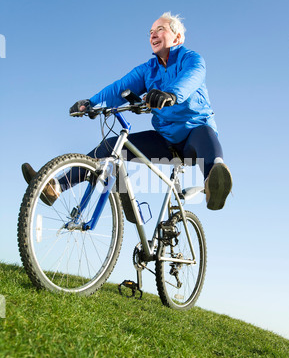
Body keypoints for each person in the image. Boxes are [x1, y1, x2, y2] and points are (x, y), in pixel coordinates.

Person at [22, 12, 232, 210]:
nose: (153, 35)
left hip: (193, 137)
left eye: (160, 29)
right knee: (111, 145)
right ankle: (56, 187)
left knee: (204, 133)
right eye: (150, 32)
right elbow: (119, 87)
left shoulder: (192, 59)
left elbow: (191, 78)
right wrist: (91, 102)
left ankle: (215, 184)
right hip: (165, 141)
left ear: (177, 37)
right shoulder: (148, 69)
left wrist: (171, 95)